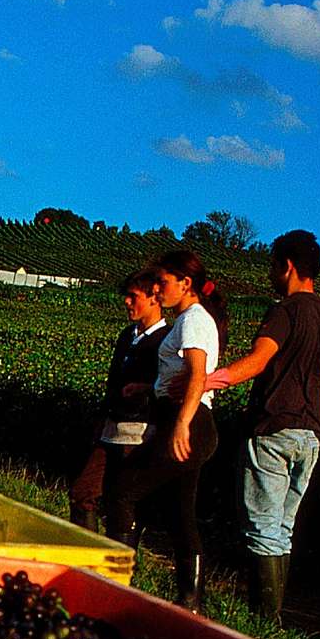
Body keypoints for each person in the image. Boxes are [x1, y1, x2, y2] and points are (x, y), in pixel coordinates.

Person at [204, 229, 320, 619]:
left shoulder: (284, 311)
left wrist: (212, 378)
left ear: (287, 267)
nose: (270, 274)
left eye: (272, 265)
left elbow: (259, 360)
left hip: (273, 429)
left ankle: (263, 621)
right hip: (312, 433)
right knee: (283, 527)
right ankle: (272, 620)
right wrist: (311, 420)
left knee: (262, 527)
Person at [103, 250, 227, 613]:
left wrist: (181, 425)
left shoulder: (192, 320)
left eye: (163, 282)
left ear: (185, 284)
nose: (158, 289)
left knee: (125, 492)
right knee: (180, 513)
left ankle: (115, 582)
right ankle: (190, 602)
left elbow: (197, 375)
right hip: (184, 418)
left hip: (189, 422)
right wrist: (149, 389)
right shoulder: (189, 320)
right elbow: (182, 376)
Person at [70, 270, 166, 532]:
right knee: (83, 493)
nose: (127, 302)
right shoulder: (128, 335)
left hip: (139, 433)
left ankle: (119, 563)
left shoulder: (165, 341)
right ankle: (86, 559)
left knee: (120, 501)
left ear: (154, 299)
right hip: (111, 429)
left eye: (133, 296)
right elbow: (113, 382)